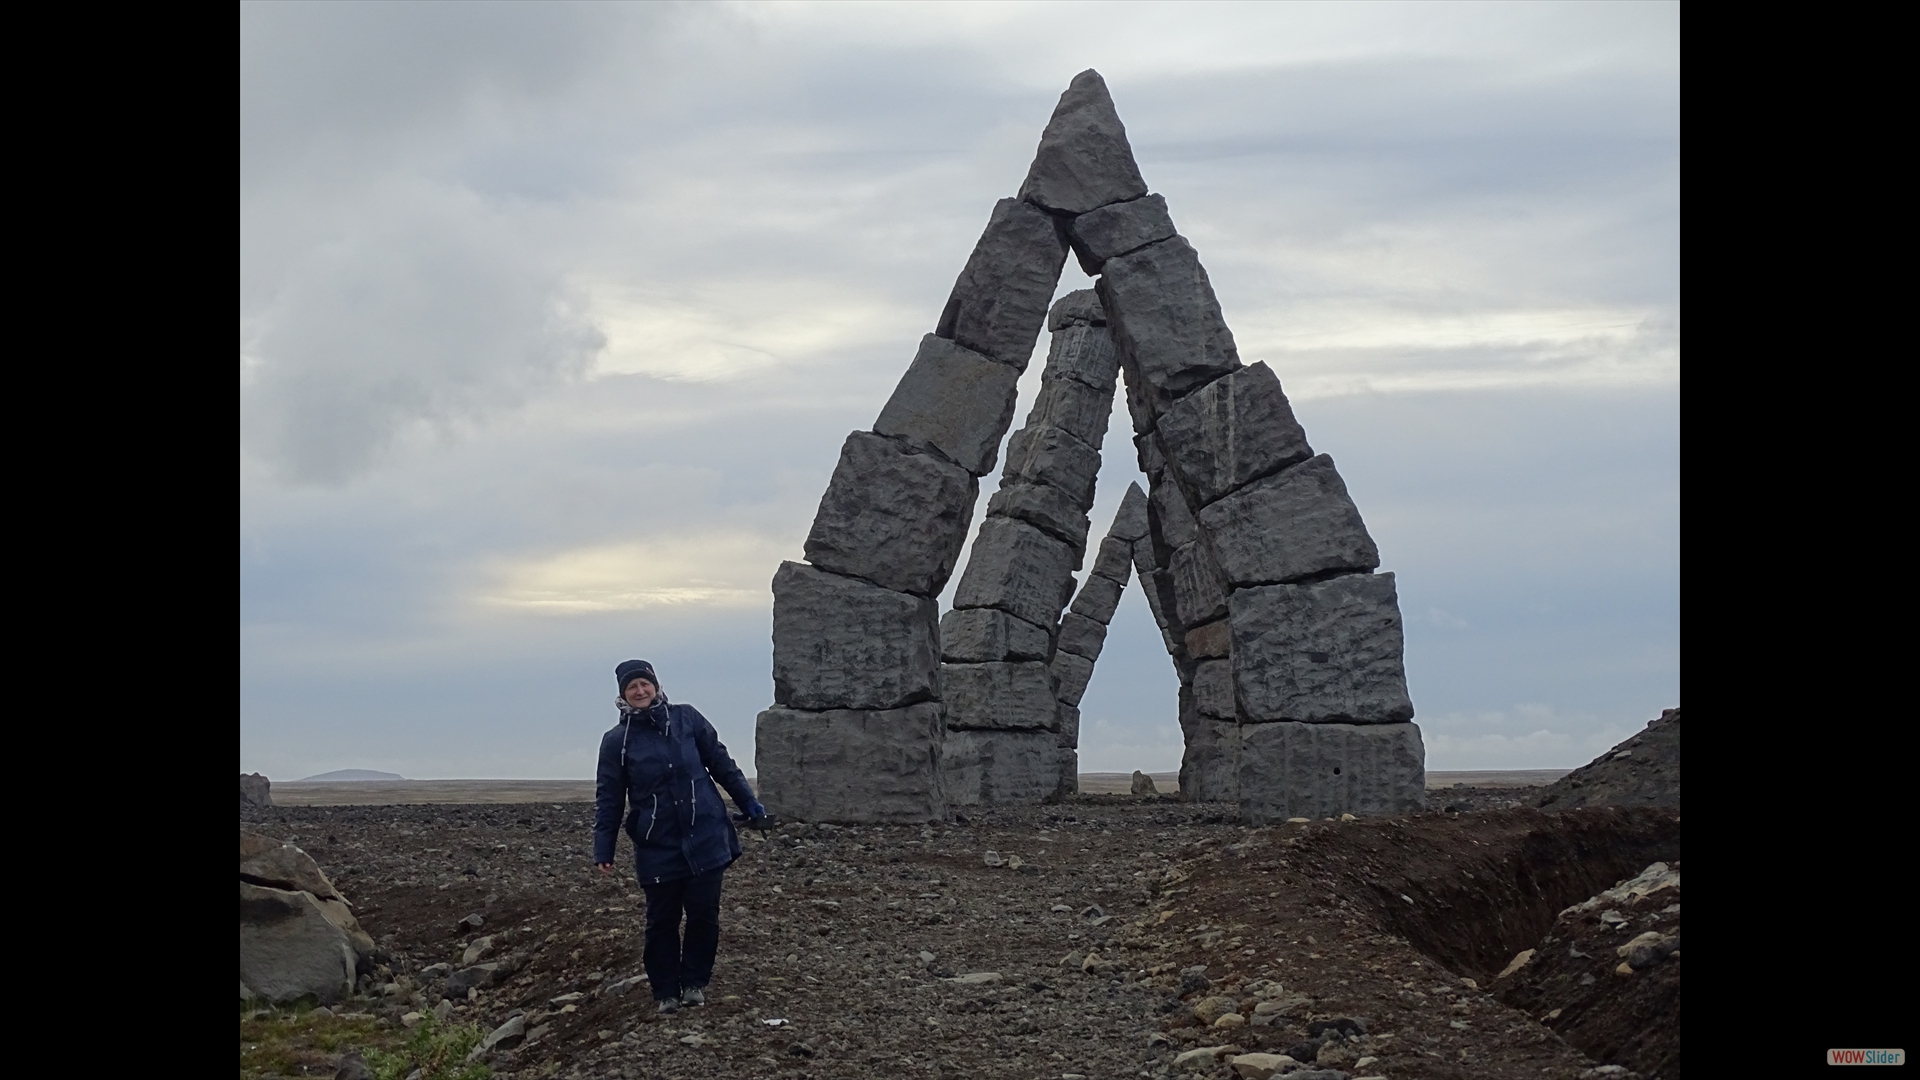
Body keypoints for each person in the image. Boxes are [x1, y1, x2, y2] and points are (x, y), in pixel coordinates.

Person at [594, 659, 766, 1015]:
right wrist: (603, 848)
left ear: (655, 686)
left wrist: (750, 803)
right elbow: (609, 798)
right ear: (623, 695)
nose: (640, 692)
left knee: (704, 915)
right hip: (658, 845)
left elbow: (721, 763)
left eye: (645, 684)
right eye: (632, 688)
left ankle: (694, 984)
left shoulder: (687, 719)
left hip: (706, 835)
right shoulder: (616, 742)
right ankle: (666, 992)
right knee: (661, 920)